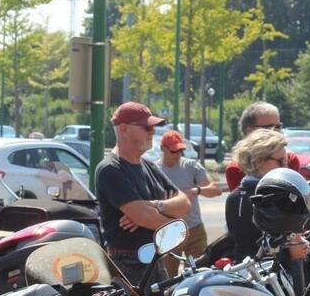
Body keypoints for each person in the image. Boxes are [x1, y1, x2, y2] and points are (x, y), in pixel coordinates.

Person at [95, 102, 191, 285]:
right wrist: (178, 226)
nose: (152, 132)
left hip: (154, 261)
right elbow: (143, 216)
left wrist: (155, 205)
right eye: (146, 127)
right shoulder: (111, 169)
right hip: (127, 266)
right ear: (123, 129)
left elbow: (185, 202)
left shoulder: (149, 165)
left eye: (153, 127)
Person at [225, 129, 309, 265]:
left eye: (286, 159)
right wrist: (299, 247)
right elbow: (294, 247)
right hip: (272, 275)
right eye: (281, 160)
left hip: (243, 270)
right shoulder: (275, 197)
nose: (286, 165)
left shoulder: (234, 197)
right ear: (259, 161)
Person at [157, 130, 221, 276]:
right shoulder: (154, 170)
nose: (178, 154)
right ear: (163, 149)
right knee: (167, 277)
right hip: (169, 231)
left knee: (199, 274)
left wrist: (196, 190)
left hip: (194, 230)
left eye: (180, 150)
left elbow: (215, 190)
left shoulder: (191, 166)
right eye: (173, 151)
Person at [224, 101, 304, 191]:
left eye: (278, 127)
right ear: (249, 131)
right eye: (269, 128)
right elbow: (242, 202)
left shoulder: (290, 160)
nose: (275, 132)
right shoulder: (235, 169)